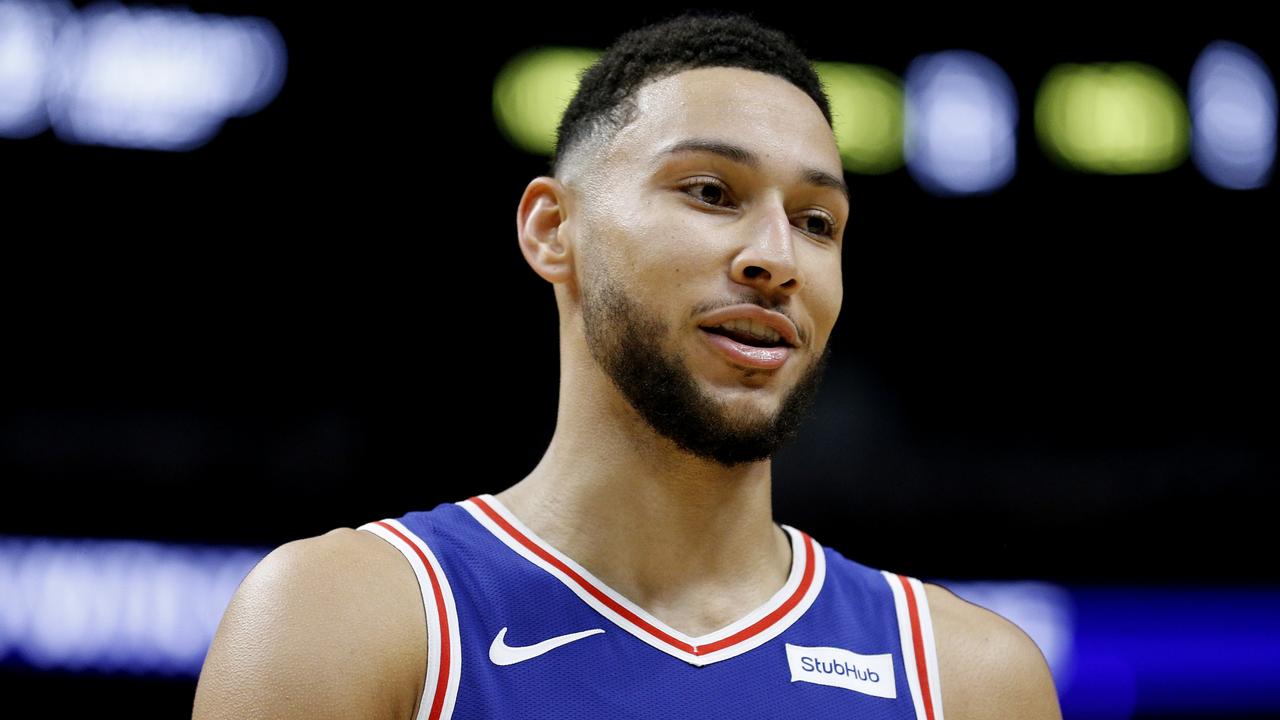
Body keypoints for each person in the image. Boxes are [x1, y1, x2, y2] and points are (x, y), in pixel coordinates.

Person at [192, 11, 1062, 720]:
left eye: (817, 221)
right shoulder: (350, 619)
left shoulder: (969, 680)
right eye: (712, 192)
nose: (777, 257)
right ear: (551, 229)